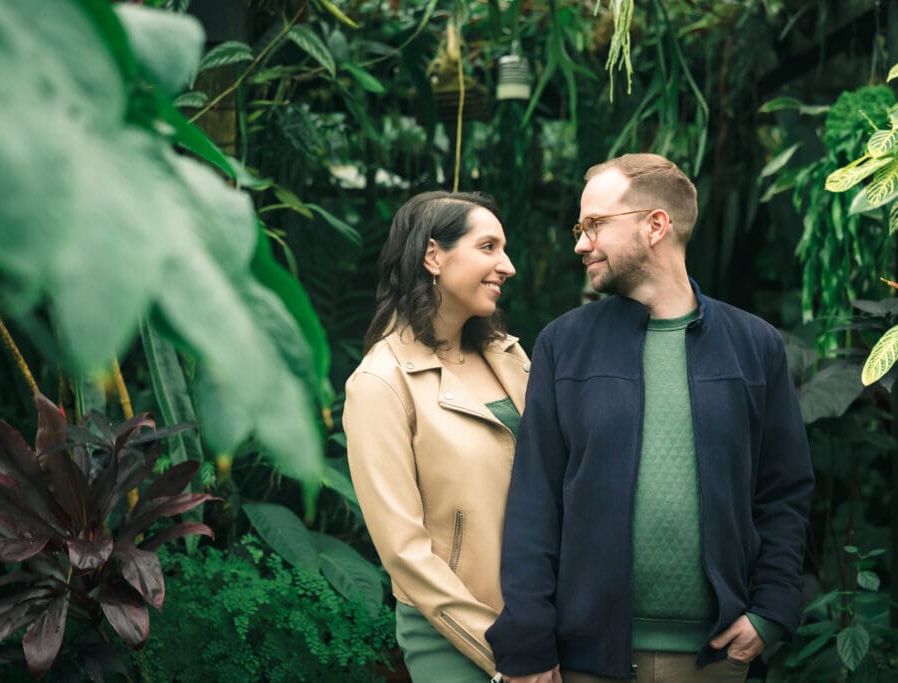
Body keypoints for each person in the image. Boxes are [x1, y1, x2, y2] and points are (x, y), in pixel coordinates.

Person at [485, 153, 814, 683]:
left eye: (594, 224)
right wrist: (529, 638)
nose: (581, 243)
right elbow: (534, 501)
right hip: (587, 661)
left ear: (655, 226)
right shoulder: (563, 345)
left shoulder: (755, 346)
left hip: (717, 660)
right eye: (579, 228)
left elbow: (783, 493)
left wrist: (772, 610)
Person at [343, 190, 530, 682]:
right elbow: (404, 553)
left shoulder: (511, 358)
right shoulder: (380, 383)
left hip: (539, 624)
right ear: (433, 256)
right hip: (456, 640)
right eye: (488, 247)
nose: (508, 266)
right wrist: (501, 650)